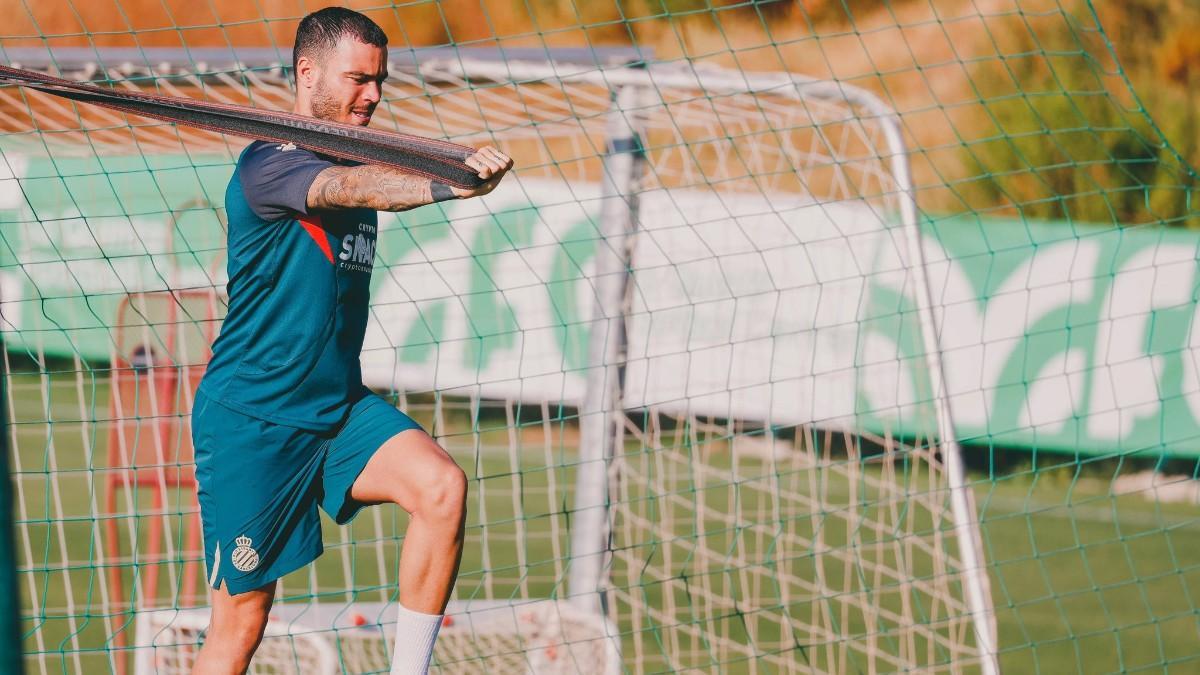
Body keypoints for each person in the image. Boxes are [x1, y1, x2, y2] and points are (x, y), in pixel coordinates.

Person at [189, 7, 513, 674]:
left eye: (381, 81)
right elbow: (348, 185)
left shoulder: (351, 154)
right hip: (254, 420)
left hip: (336, 410)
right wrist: (444, 182)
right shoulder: (270, 163)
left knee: (440, 486)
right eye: (359, 78)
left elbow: (362, 177)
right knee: (241, 624)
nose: (374, 95)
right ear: (308, 74)